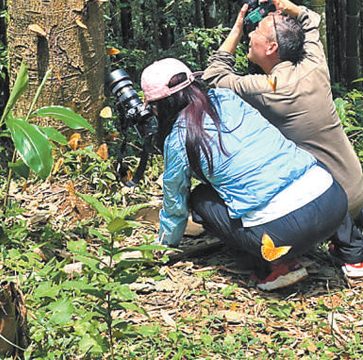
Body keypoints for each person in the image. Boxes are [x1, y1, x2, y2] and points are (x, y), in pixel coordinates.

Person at [203, 0, 363, 277]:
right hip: (353, 182)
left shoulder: (269, 87)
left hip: (329, 201)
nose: (250, 36)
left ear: (271, 47)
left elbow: (213, 75)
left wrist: (236, 26)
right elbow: (311, 21)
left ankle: (348, 240)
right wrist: (286, 5)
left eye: (255, 32)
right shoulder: (314, 64)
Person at [141, 57, 348, 291]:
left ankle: (280, 267)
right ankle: (352, 255)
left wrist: (161, 248)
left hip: (283, 236)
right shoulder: (226, 98)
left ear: (161, 106)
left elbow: (175, 205)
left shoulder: (178, 139)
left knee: (200, 198)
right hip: (333, 200)